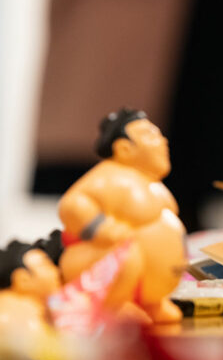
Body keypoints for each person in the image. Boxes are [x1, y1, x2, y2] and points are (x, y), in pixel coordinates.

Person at [58, 108, 186, 323]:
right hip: (95, 261)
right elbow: (72, 204)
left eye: (160, 135)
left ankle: (152, 302)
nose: (163, 141)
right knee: (126, 251)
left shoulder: (151, 182)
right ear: (124, 149)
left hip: (153, 287)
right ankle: (116, 305)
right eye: (150, 136)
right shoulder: (109, 176)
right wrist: (99, 227)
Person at [0, 232, 62, 335]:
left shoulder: (45, 309)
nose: (56, 271)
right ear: (23, 280)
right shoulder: (19, 317)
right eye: (45, 265)